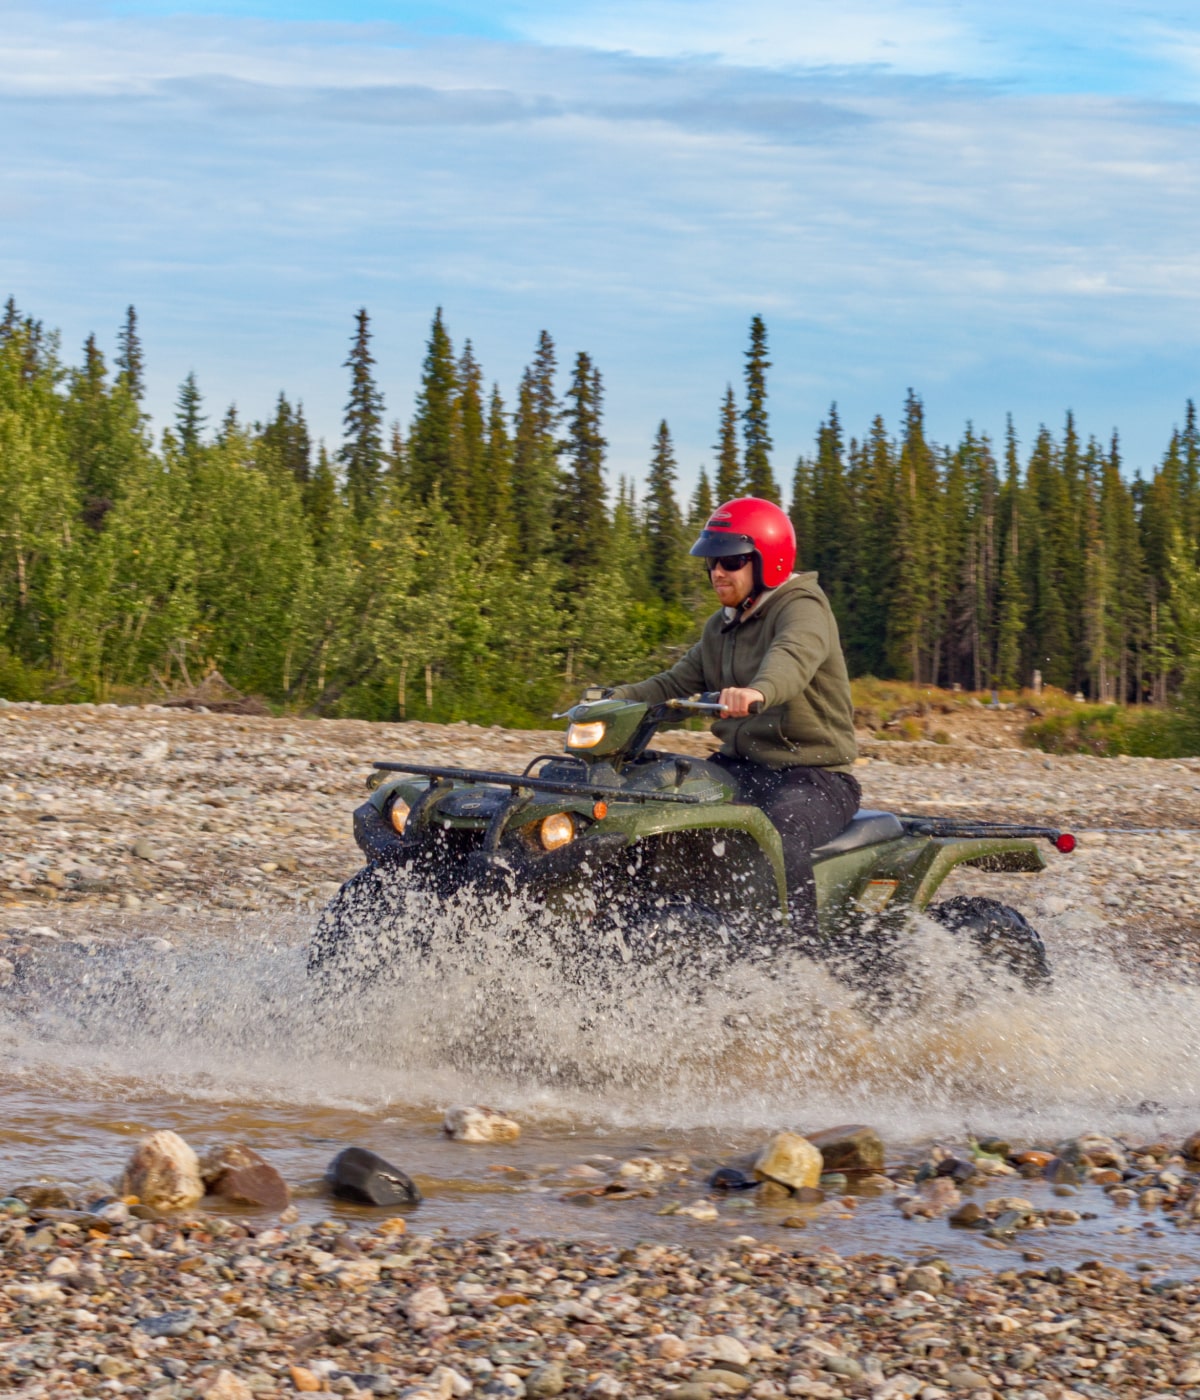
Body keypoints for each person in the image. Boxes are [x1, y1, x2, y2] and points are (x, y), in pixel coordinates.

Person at [610, 496, 859, 938]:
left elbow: (792, 658)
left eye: (731, 561)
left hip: (815, 777)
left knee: (779, 835)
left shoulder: (803, 609)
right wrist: (613, 699)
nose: (717, 573)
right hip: (741, 768)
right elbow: (673, 682)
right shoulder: (721, 626)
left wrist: (758, 691)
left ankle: (799, 957)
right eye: (711, 563)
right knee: (654, 802)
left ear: (768, 561)